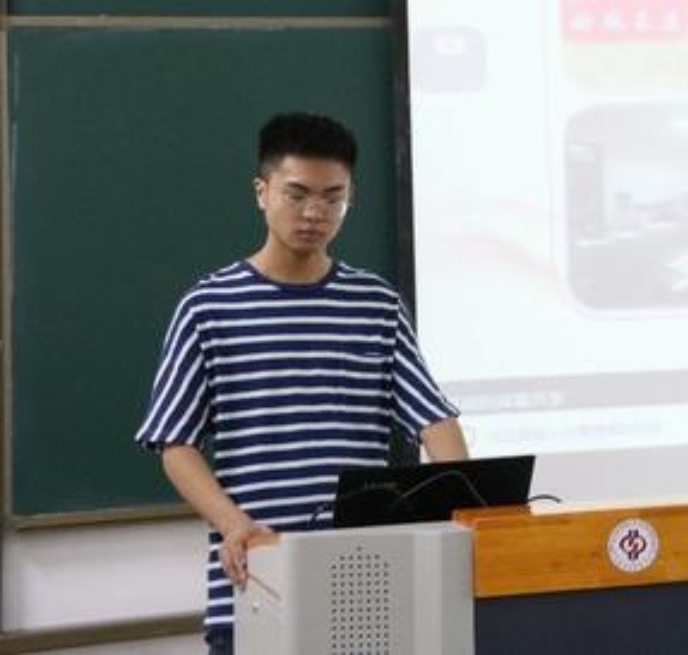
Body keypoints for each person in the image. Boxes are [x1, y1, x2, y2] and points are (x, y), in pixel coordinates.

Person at [135, 113, 467, 654]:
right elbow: (175, 443)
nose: (315, 213)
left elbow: (434, 419)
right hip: (256, 581)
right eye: (297, 194)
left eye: (334, 198)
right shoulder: (209, 306)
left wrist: (466, 507)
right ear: (261, 192)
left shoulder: (376, 304)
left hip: (366, 588)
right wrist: (235, 525)